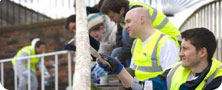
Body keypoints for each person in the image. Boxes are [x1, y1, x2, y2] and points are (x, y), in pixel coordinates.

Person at [98, 27, 222, 90]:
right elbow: (144, 87)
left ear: (202, 52)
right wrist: (119, 70)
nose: (180, 54)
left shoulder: (217, 80)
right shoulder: (176, 71)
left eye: (185, 49)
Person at [95, 7, 180, 82]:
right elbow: (133, 72)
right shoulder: (136, 43)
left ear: (141, 19)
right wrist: (113, 69)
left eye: (128, 22)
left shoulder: (165, 42)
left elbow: (171, 78)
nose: (126, 27)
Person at [100, 0, 181, 67]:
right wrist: (114, 60)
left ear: (121, 10)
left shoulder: (135, 12)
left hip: (169, 40)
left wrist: (119, 59)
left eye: (112, 16)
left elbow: (130, 43)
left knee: (125, 34)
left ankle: (130, 74)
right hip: (153, 42)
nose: (111, 20)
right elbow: (119, 41)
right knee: (117, 51)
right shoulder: (123, 18)